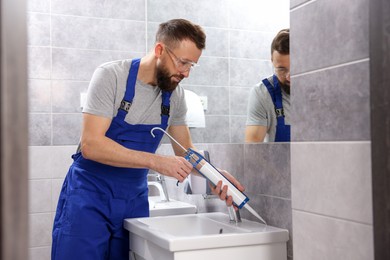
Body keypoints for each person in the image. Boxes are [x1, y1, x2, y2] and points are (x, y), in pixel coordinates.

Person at [51, 19, 244, 260]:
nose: (186, 73)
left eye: (192, 65)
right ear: (160, 50)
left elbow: (185, 152)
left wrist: (215, 176)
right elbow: (91, 145)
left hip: (133, 201)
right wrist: (155, 162)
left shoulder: (176, 96)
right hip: (90, 196)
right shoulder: (111, 76)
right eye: (183, 62)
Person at [245, 29, 290, 142]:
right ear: (272, 61)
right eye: (282, 69)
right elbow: (253, 148)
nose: (289, 77)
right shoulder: (262, 94)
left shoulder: (320, 90)